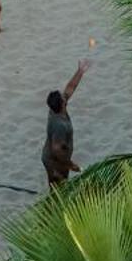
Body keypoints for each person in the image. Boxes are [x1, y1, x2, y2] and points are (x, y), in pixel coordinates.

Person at [43, 58, 91, 187]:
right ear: (63, 104)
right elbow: (56, 148)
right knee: (59, 188)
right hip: (55, 161)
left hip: (55, 158)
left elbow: (70, 88)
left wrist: (80, 71)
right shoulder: (60, 125)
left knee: (58, 187)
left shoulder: (55, 109)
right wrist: (69, 164)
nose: (65, 96)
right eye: (63, 97)